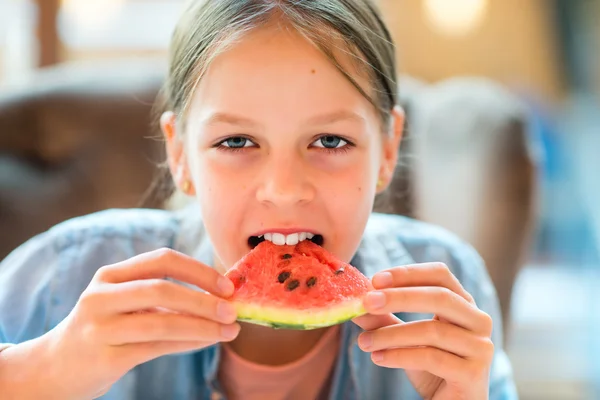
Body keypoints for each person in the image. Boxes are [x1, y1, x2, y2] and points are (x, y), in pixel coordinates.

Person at [0, 1, 518, 399]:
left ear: (387, 149)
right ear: (180, 154)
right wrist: (39, 372)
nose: (284, 188)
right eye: (237, 142)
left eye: (331, 141)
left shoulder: (451, 287)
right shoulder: (65, 275)